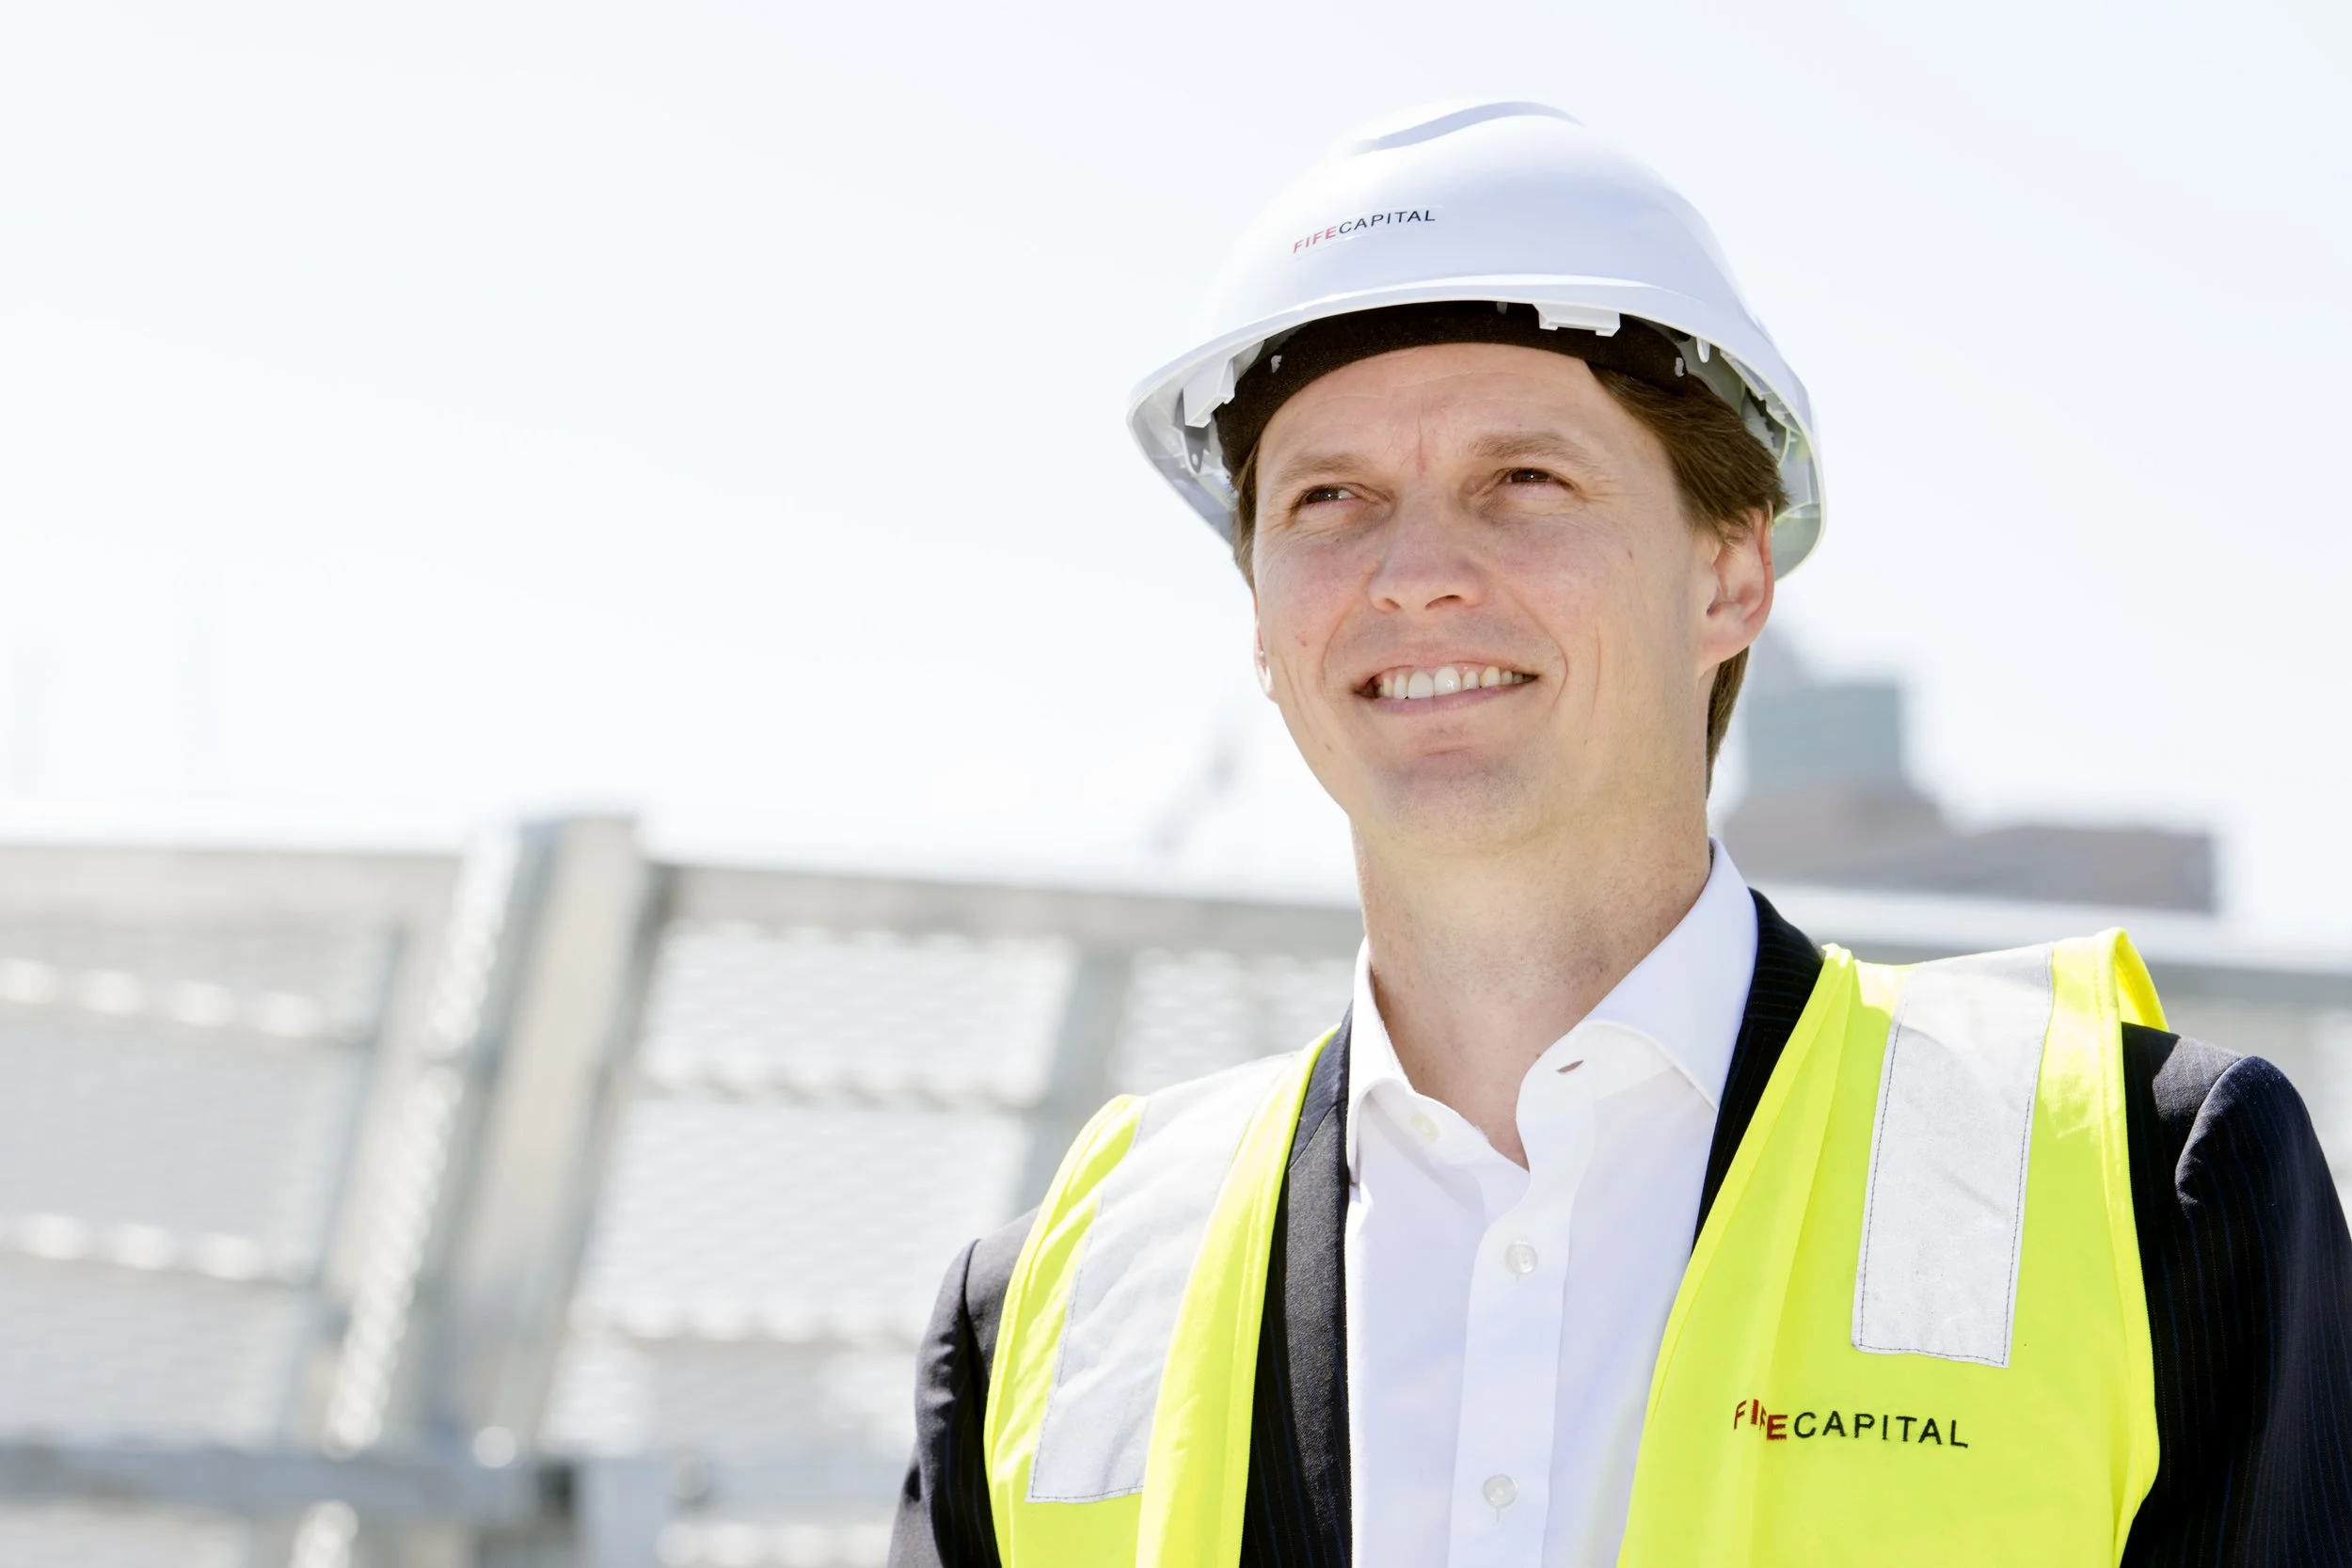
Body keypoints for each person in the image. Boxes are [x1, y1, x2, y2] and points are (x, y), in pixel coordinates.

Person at [889, 101, 2352, 1567]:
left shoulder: (2154, 1194)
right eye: (1330, 499)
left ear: (1731, 572)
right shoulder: (1048, 1312)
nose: (1414, 574)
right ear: (1263, 621)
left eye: (1523, 481)